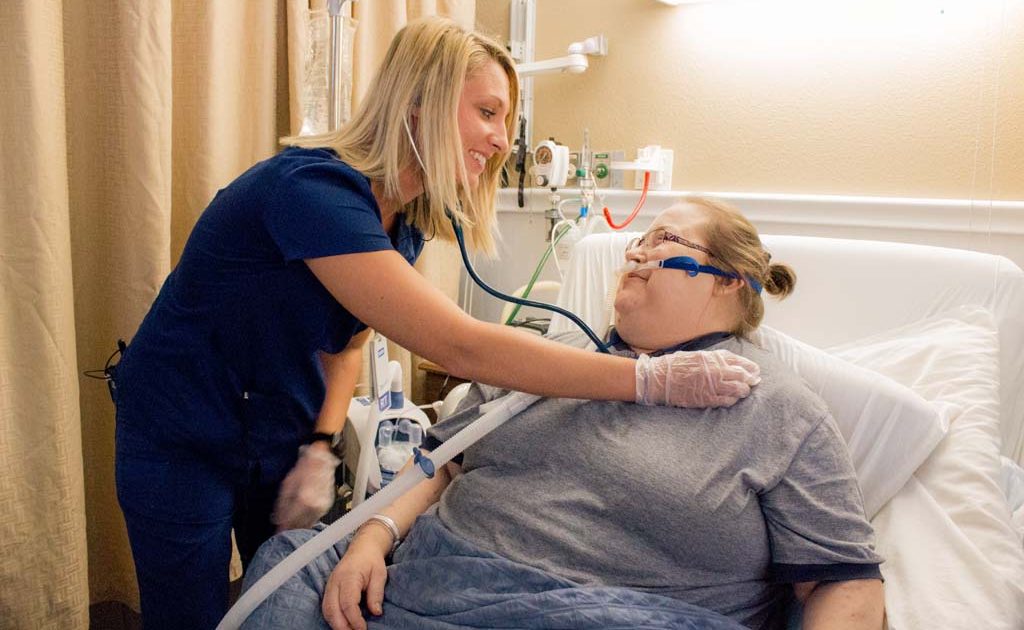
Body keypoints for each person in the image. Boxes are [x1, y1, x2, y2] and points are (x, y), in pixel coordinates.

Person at [110, 18, 761, 630]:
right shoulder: (310, 193)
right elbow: (461, 346)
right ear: (417, 101)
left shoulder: (405, 223)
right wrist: (649, 379)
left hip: (278, 426)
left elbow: (349, 338)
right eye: (487, 112)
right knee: (192, 612)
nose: (504, 141)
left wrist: (319, 445)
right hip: (181, 424)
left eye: (507, 120)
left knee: (274, 592)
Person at [240, 198, 886, 630]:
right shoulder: (547, 361)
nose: (635, 253)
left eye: (663, 241)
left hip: (610, 610)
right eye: (636, 240)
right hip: (429, 581)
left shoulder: (779, 407)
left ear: (728, 279)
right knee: (289, 563)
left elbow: (844, 581)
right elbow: (437, 464)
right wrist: (369, 539)